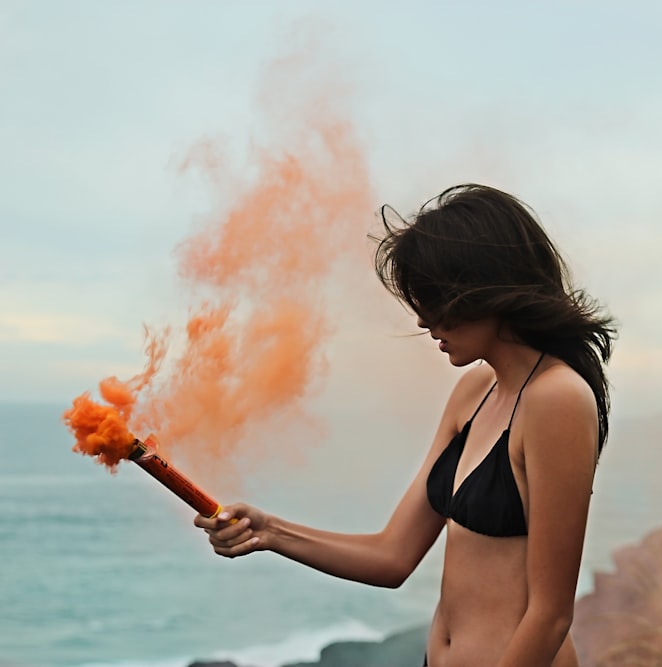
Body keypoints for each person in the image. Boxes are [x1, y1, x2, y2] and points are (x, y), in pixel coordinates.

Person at [195, 184, 617, 666]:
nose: (423, 321)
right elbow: (392, 556)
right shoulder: (476, 391)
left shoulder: (556, 399)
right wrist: (269, 531)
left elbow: (550, 615)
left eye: (435, 303)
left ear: (487, 290)